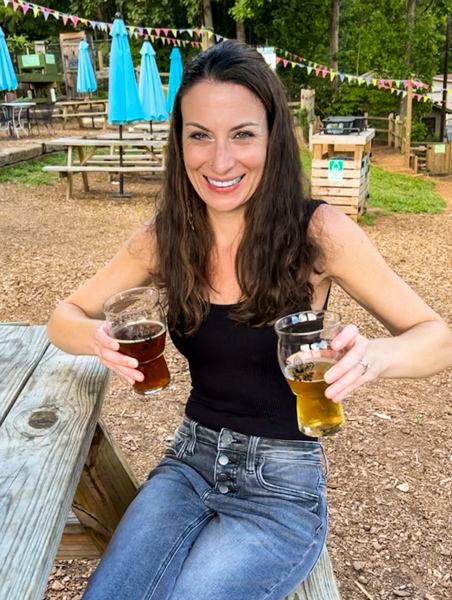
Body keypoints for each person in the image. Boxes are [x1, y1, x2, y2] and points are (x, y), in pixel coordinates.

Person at [47, 40, 452, 600]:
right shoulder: (164, 239)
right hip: (188, 464)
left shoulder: (320, 232)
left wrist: (377, 357)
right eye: (199, 135)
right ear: (179, 142)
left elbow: (438, 339)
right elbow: (62, 317)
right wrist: (98, 341)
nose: (219, 161)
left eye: (241, 134)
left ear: (272, 137)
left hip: (280, 488)